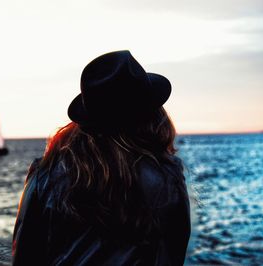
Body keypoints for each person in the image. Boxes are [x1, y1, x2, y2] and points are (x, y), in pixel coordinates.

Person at [12, 50, 191, 266]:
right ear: (152, 115)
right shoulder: (166, 176)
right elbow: (170, 257)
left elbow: (25, 256)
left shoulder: (46, 173)